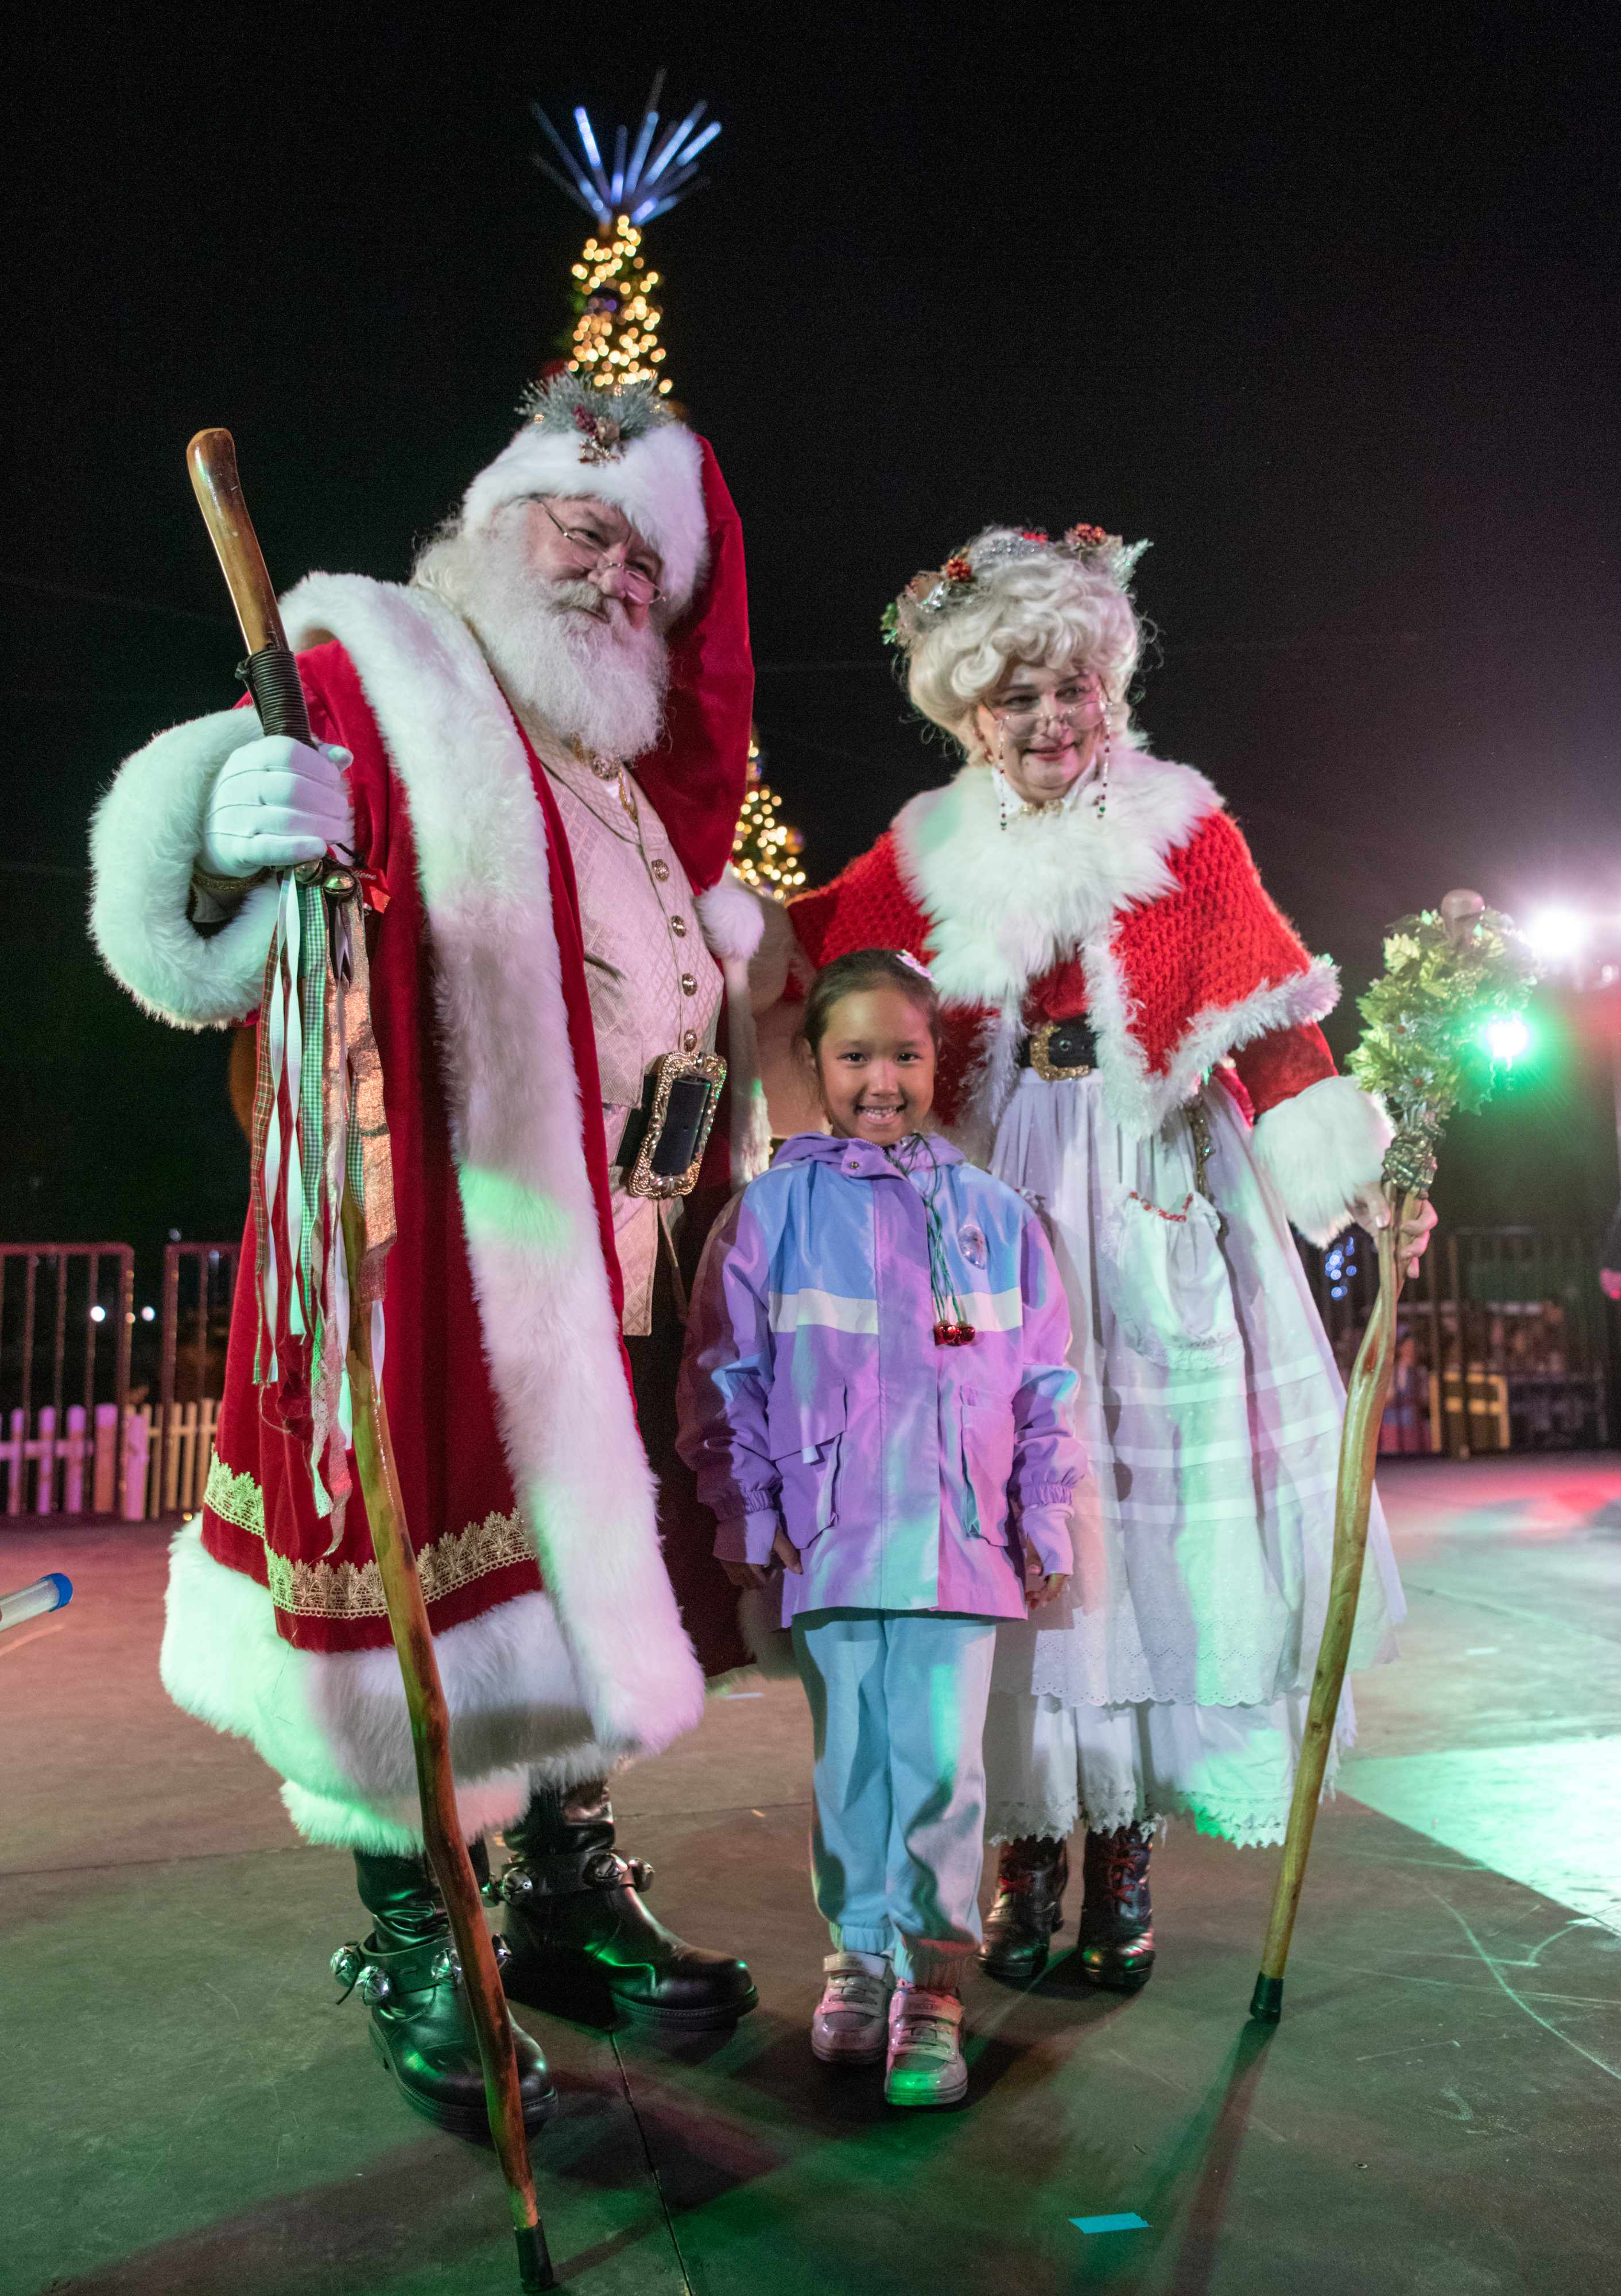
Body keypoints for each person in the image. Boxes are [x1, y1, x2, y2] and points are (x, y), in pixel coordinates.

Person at [88, 376, 764, 2136]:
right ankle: (415, 1934)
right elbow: (216, 817)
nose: (620, 577)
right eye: (586, 529)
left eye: (648, 563)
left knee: (565, 1586)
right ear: (490, 520)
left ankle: (559, 1892)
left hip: (611, 1251)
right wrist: (231, 834)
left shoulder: (615, 777)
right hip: (429, 1252)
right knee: (419, 1610)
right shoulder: (386, 663)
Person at [757, 523, 1436, 1992]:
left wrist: (1355, 1178)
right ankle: (1023, 1846)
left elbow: (1276, 1025)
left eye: (1071, 688)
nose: (1050, 720)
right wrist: (702, 921)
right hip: (991, 1188)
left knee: (1137, 1534)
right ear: (969, 712)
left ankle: (1120, 1850)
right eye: (1016, 699)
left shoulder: (1183, 830)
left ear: (1106, 684)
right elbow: (814, 949)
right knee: (1005, 1512)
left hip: (1151, 1197)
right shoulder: (924, 847)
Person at [677, 950, 1084, 2105]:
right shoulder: (769, 1215)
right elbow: (725, 1376)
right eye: (853, 1054)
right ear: (812, 1063)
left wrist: (1038, 1515)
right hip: (834, 1543)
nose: (881, 1077)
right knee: (850, 1759)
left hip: (959, 1545)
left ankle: (935, 1983)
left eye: (903, 1052)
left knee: (944, 1770)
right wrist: (749, 1508)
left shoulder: (995, 1216)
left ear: (934, 1058)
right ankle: (858, 1959)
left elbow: (1043, 1381)